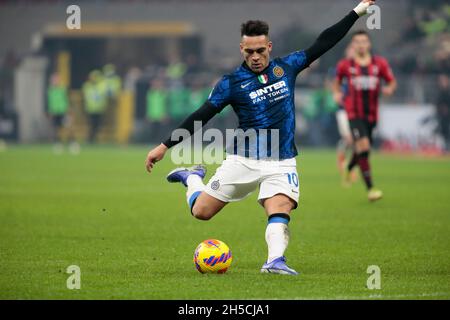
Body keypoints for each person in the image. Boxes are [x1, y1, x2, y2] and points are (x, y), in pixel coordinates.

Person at [146, 0, 376, 275]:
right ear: (241, 50)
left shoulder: (287, 67)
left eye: (259, 50)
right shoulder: (231, 83)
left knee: (280, 206)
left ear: (269, 48)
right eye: (249, 51)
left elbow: (324, 42)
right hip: (244, 159)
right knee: (202, 212)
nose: (255, 56)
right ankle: (192, 177)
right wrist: (164, 146)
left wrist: (357, 11)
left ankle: (274, 261)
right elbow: (202, 114)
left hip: (282, 160)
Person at [333, 30, 397, 201]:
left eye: (364, 41)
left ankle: (350, 166)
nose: (361, 45)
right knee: (363, 146)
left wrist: (390, 88)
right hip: (353, 113)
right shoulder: (345, 65)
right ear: (353, 46)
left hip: (372, 115)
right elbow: (337, 83)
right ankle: (371, 189)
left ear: (369, 44)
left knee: (363, 150)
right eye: (357, 42)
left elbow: (391, 81)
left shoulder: (380, 64)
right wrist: (337, 93)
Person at [333, 44, 358, 184]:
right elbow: (333, 82)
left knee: (355, 139)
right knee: (349, 138)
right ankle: (343, 162)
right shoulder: (341, 67)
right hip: (343, 108)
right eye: (350, 50)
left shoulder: (361, 68)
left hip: (356, 108)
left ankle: (349, 165)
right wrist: (336, 93)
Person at [82, 70, 108, 143]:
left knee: (97, 126)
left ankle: (93, 139)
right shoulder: (87, 86)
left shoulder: (101, 85)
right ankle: (90, 139)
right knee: (91, 125)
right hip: (90, 109)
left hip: (99, 109)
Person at [435, 74, 450, 152]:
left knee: (447, 132)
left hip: (448, 116)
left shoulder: (447, 92)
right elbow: (437, 104)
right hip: (442, 117)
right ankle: (446, 147)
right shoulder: (440, 92)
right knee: (444, 132)